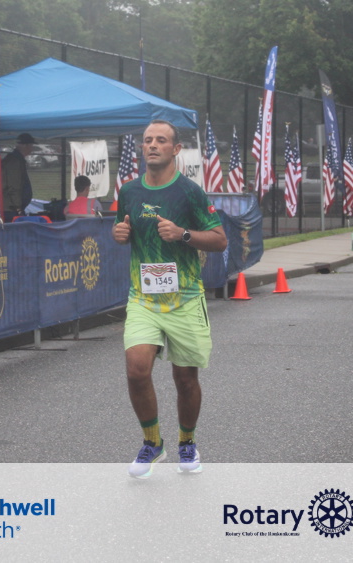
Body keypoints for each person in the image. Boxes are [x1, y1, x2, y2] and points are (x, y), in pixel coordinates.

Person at [113, 119, 227, 477]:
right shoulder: (129, 191)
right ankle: (152, 443)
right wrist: (119, 233)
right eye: (148, 140)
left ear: (176, 149)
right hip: (143, 299)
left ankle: (187, 442)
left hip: (185, 299)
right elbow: (124, 229)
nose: (152, 145)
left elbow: (220, 240)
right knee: (137, 370)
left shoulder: (190, 192)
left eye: (161, 140)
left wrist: (183, 235)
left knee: (185, 379)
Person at [2, 133, 36, 221]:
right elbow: (14, 186)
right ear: (25, 146)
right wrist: (18, 208)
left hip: (11, 207)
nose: (32, 148)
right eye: (31, 145)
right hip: (10, 209)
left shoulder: (16, 159)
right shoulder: (14, 162)